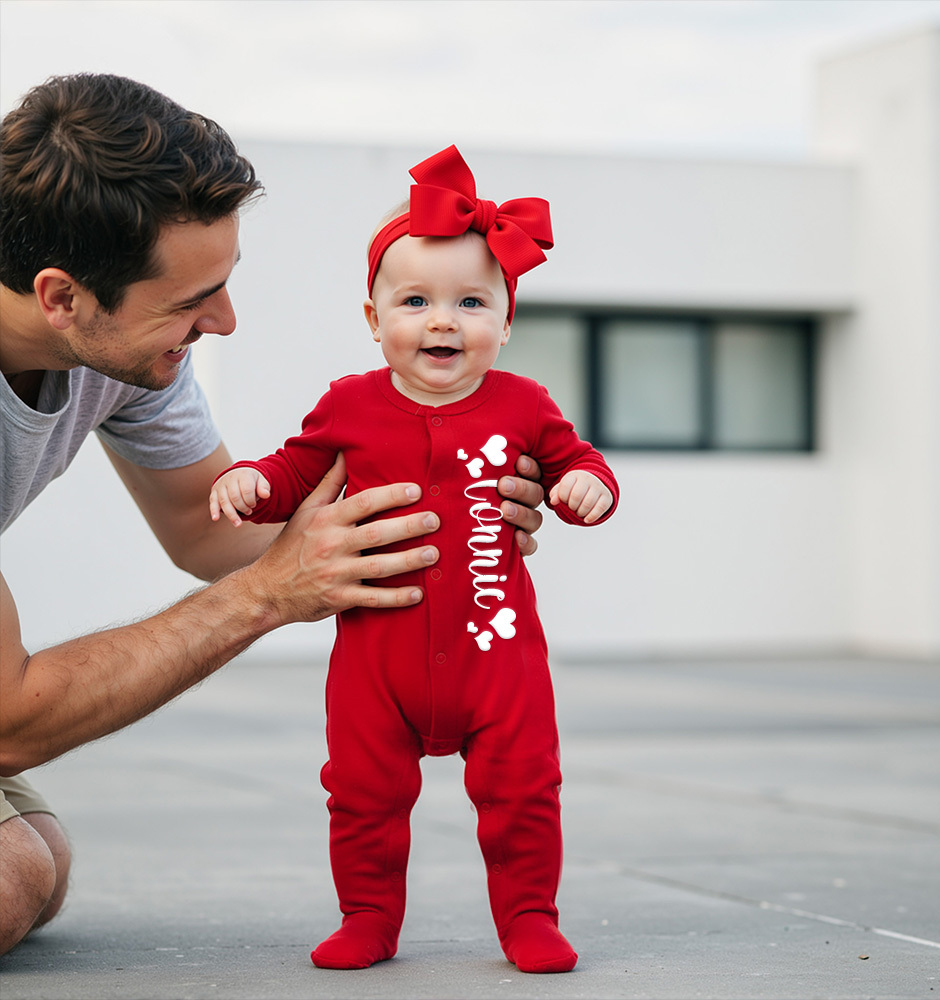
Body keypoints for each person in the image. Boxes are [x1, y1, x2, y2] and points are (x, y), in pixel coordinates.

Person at [0, 76, 546, 957]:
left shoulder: (127, 354)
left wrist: (441, 520)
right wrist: (268, 595)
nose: (225, 320)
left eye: (223, 283)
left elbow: (212, 531)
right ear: (63, 296)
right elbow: (11, 719)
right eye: (189, 302)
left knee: (39, 861)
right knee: (10, 882)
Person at [210, 145, 619, 974]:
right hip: (378, 650)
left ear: (504, 321)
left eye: (472, 301)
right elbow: (298, 467)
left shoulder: (525, 403)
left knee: (523, 790)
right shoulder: (350, 403)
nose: (443, 320)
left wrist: (587, 488)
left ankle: (529, 917)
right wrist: (255, 480)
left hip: (496, 650)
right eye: (416, 301)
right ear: (373, 319)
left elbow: (577, 460)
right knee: (361, 793)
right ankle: (367, 917)